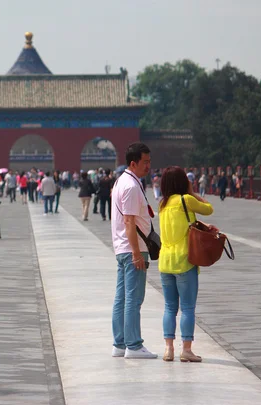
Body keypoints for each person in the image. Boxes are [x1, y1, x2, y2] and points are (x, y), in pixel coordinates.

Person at [158, 166, 214, 363]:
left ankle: (168, 349)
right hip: (184, 262)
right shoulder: (186, 200)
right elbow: (209, 209)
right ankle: (187, 349)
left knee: (169, 307)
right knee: (188, 308)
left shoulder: (162, 205)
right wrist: (192, 193)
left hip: (165, 262)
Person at [111, 142, 158, 359]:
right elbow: (129, 222)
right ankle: (134, 345)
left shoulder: (123, 181)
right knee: (133, 298)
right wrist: (137, 254)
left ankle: (120, 344)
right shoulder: (130, 186)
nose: (149, 166)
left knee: (122, 298)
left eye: (149, 161)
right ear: (133, 163)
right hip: (133, 249)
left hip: (123, 248)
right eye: (145, 162)